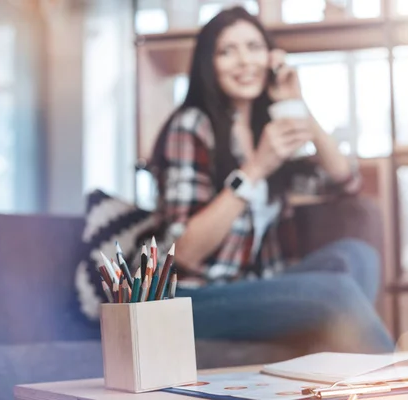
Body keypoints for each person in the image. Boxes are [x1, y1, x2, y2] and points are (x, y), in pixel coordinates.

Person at [149, 6, 394, 353]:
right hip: (193, 297)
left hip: (257, 285)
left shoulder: (269, 127)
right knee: (333, 293)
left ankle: (343, 371)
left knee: (358, 256)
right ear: (208, 63)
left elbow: (347, 183)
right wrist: (255, 167)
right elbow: (184, 252)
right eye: (227, 51)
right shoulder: (191, 125)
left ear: (270, 57)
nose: (244, 61)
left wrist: (298, 103)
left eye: (253, 47)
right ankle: (392, 381)